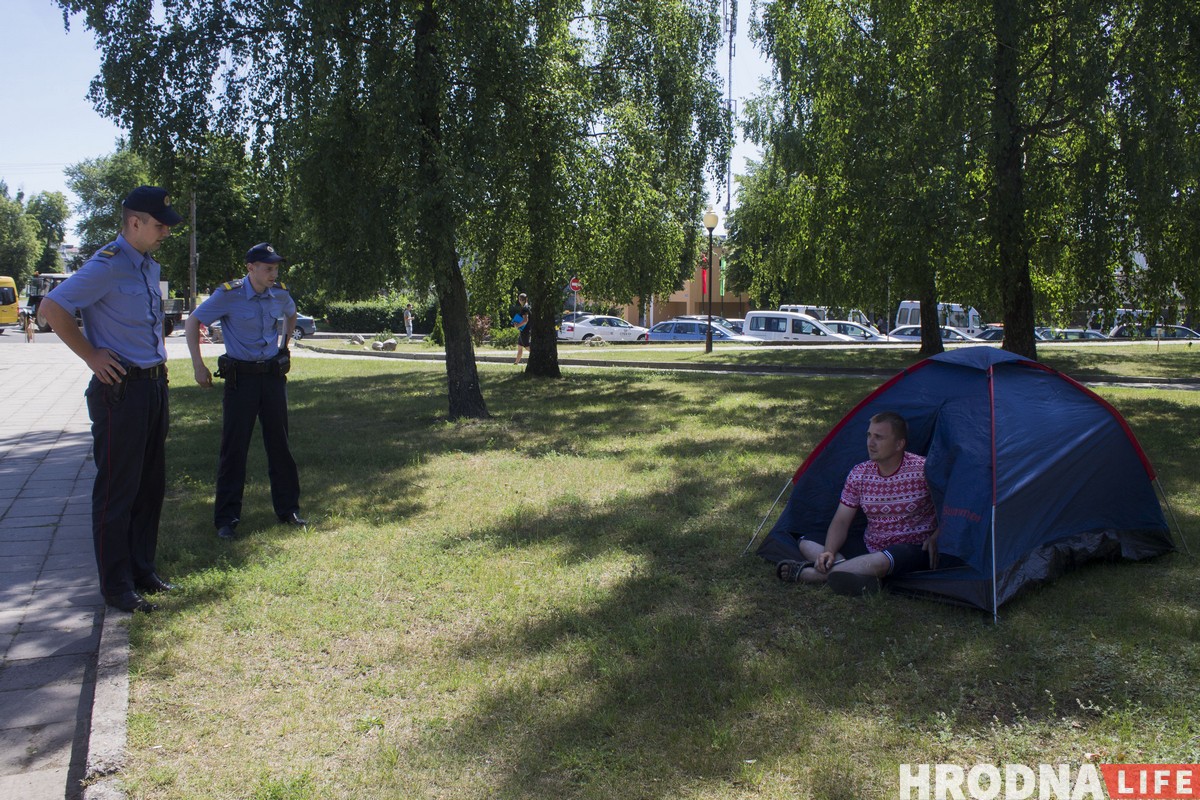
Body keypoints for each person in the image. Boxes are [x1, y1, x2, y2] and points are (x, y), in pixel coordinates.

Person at [39, 186, 181, 613]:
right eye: (160, 225)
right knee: (118, 492)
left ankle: (142, 570)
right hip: (121, 392)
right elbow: (52, 307)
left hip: (152, 386)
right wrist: (91, 355)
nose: (166, 232)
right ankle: (117, 586)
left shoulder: (147, 266)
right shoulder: (108, 264)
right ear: (134, 222)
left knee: (149, 486)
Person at [184, 243, 306, 540]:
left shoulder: (280, 294)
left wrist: (285, 346)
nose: (274, 274)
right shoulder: (230, 295)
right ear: (250, 268)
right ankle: (226, 520)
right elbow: (193, 321)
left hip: (272, 378)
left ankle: (288, 510)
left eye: (276, 268)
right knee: (234, 449)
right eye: (268, 268)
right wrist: (198, 365)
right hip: (241, 381)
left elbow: (291, 314)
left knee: (280, 445)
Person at [777, 411, 940, 595]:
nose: (871, 443)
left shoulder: (924, 470)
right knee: (807, 541)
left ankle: (809, 575)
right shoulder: (859, 473)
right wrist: (829, 551)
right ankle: (859, 573)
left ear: (899, 444)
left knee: (884, 559)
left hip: (911, 548)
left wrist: (936, 536)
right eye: (869, 435)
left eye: (879, 437)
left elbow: (952, 508)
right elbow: (841, 521)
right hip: (871, 545)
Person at [513, 292, 531, 365]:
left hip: (525, 330)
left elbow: (525, 320)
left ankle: (538, 356)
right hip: (525, 329)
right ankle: (516, 363)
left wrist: (518, 325)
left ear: (520, 300)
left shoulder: (524, 309)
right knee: (520, 347)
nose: (519, 301)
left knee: (527, 346)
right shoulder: (528, 306)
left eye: (520, 299)